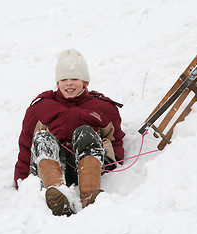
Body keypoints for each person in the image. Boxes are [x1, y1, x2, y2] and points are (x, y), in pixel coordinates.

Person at [14, 49, 125, 216]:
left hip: (90, 164)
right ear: (57, 83)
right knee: (43, 138)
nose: (69, 84)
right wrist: (20, 180)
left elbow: (115, 139)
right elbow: (26, 144)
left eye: (75, 79)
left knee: (85, 132)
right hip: (54, 166)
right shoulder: (41, 108)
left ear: (85, 82)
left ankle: (89, 196)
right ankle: (59, 194)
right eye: (64, 79)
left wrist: (114, 158)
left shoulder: (103, 108)